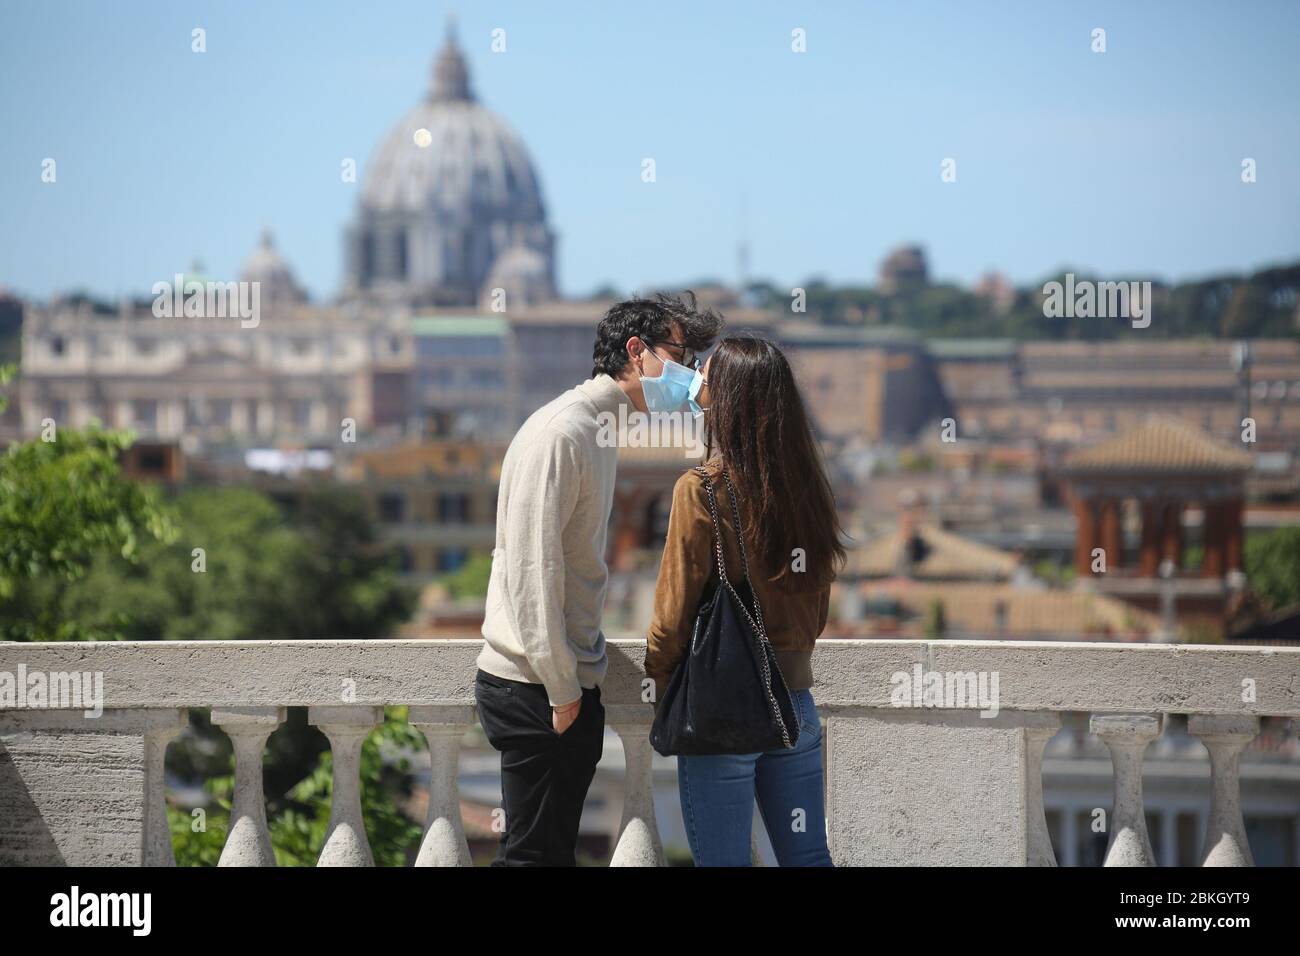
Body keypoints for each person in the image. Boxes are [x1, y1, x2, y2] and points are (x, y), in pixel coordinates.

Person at [475, 291, 722, 865]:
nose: (687, 375)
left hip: (556, 682)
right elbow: (533, 572)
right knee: (534, 858)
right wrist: (563, 688)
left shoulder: (597, 429)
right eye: (680, 355)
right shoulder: (566, 432)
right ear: (636, 352)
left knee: (545, 854)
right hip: (537, 686)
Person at [645, 335, 845, 866]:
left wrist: (663, 684)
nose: (696, 380)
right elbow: (816, 609)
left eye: (707, 374)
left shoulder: (702, 489)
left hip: (724, 708)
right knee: (808, 858)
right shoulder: (807, 488)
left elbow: (672, 616)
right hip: (795, 705)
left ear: (729, 397)